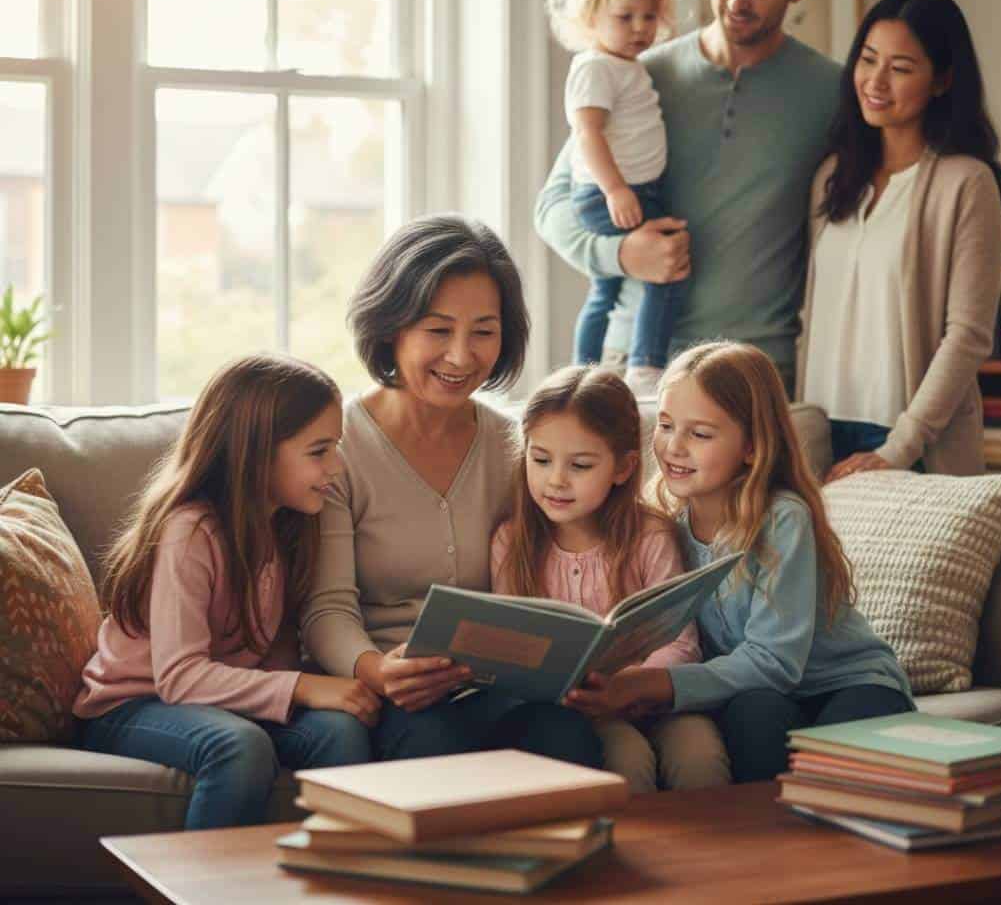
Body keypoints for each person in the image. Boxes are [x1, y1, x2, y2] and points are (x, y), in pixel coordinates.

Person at [300, 215, 602, 768]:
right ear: (392, 326)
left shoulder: (519, 446)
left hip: (498, 683)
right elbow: (327, 607)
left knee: (568, 739)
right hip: (396, 688)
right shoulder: (337, 448)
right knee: (432, 747)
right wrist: (376, 670)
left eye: (483, 332)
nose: (461, 357)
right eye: (438, 331)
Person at [535, 0, 842, 396]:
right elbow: (551, 207)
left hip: (753, 368)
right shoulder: (637, 74)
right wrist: (621, 256)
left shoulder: (831, 92)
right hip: (628, 361)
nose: (737, 1)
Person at [564, 342, 913, 783]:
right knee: (754, 717)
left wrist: (653, 685)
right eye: (667, 425)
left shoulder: (781, 519)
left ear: (751, 446)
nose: (673, 447)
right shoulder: (663, 522)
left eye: (700, 434)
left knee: (835, 770)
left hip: (847, 681)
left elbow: (775, 660)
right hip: (758, 692)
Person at [75, 355, 376, 829]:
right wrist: (304, 686)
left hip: (225, 702)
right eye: (319, 451)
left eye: (335, 448)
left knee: (340, 731)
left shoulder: (291, 526)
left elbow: (274, 647)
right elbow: (178, 677)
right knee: (240, 746)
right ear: (255, 453)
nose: (336, 467)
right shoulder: (190, 532)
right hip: (133, 704)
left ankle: (336, 884)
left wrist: (302, 688)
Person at [798, 0, 1001, 478]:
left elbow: (968, 336)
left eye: (901, 67)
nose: (875, 81)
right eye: (868, 59)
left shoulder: (966, 182)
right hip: (819, 430)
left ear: (942, 80)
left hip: (907, 440)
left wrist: (900, 446)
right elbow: (811, 314)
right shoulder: (831, 177)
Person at [491, 365, 730, 793]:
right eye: (540, 459)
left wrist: (629, 687)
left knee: (701, 756)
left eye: (580, 465)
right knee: (626, 759)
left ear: (623, 468)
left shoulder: (651, 536)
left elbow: (681, 643)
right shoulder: (513, 542)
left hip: (658, 699)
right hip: (579, 710)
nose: (556, 480)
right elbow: (513, 651)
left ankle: (710, 860)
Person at [546, 0, 680, 394]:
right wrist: (616, 190)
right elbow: (587, 135)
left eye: (649, 16)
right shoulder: (595, 68)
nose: (641, 28)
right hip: (616, 192)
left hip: (636, 188)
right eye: (625, 17)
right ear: (590, 17)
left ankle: (582, 371)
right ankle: (644, 365)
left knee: (607, 290)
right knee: (664, 271)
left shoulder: (627, 66)